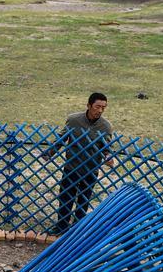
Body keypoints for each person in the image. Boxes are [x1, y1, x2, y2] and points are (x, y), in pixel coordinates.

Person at [47, 93, 114, 234]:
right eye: (97, 107)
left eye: (103, 107)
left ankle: (77, 230)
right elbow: (62, 138)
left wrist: (109, 157)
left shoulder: (106, 126)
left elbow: (107, 148)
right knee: (65, 198)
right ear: (89, 105)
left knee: (83, 201)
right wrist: (50, 152)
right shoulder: (74, 120)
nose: (100, 110)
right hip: (71, 167)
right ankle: (61, 227)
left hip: (90, 170)